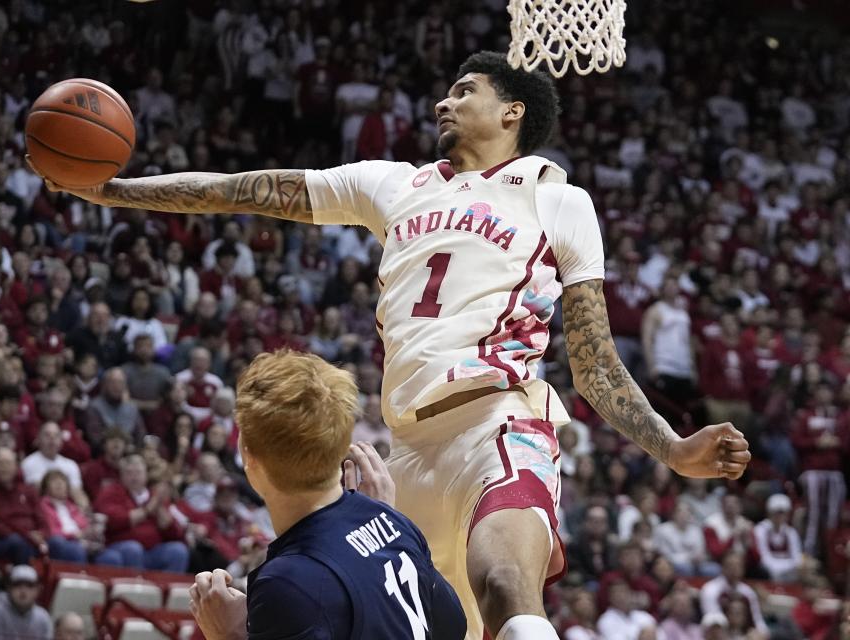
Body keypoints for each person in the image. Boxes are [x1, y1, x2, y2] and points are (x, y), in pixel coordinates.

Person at [38, 51, 752, 640]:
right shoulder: (392, 186)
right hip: (406, 450)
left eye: (464, 91)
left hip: (498, 424)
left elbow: (593, 362)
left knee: (506, 587)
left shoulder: (558, 200)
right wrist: (115, 192)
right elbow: (241, 190)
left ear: (513, 112)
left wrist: (672, 447)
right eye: (445, 91)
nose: (444, 103)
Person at [188, 350, 466, 639]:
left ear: (248, 457)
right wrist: (385, 521)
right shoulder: (394, 521)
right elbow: (454, 626)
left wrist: (227, 635)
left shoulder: (287, 582)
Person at [0, 565, 52, 640]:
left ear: (38, 590)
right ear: (8, 588)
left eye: (29, 585)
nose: (23, 590)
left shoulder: (43, 618)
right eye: (17, 584)